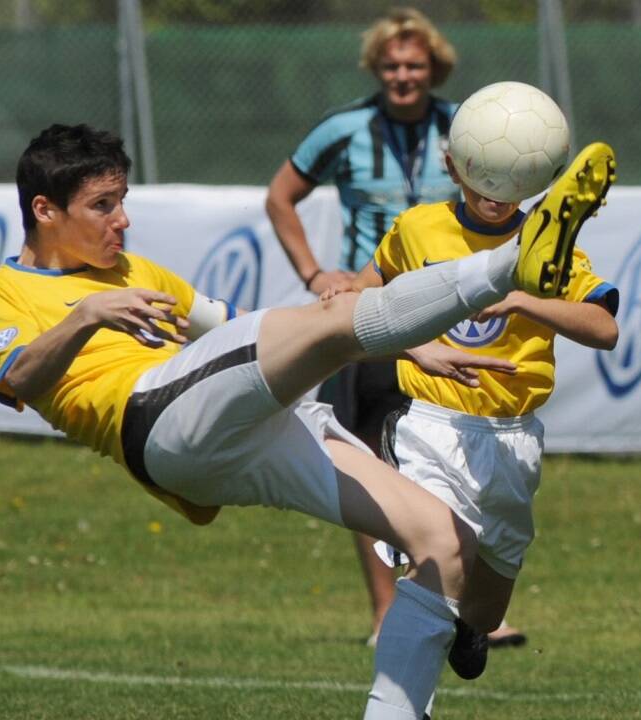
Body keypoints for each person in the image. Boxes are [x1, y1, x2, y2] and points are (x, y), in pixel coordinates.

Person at [0, 123, 612, 720]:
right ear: (44, 211)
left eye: (123, 199)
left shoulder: (137, 273)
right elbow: (17, 380)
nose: (123, 219)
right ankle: (512, 263)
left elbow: (251, 330)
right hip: (157, 419)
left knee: (444, 544)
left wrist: (411, 343)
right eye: (103, 205)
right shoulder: (5, 290)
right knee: (325, 325)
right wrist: (85, 314)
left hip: (237, 436)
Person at [263, 7, 534, 647]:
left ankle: (458, 601)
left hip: (454, 318)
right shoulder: (344, 128)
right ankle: (387, 611)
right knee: (367, 458)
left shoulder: (467, 126)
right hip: (372, 314)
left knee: (452, 453)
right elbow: (281, 196)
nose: (402, 75)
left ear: (433, 67)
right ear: (376, 69)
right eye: (390, 66)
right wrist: (314, 274)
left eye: (413, 65)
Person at [333, 116, 619, 687]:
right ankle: (399, 697)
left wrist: (523, 300)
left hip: (512, 439)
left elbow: (603, 328)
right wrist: (353, 299)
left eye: (512, 176)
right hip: (428, 424)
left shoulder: (544, 247)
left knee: (485, 609)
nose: (495, 190)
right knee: (438, 556)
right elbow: (364, 292)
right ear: (457, 167)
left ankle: (470, 626)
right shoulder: (417, 228)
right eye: (483, 174)